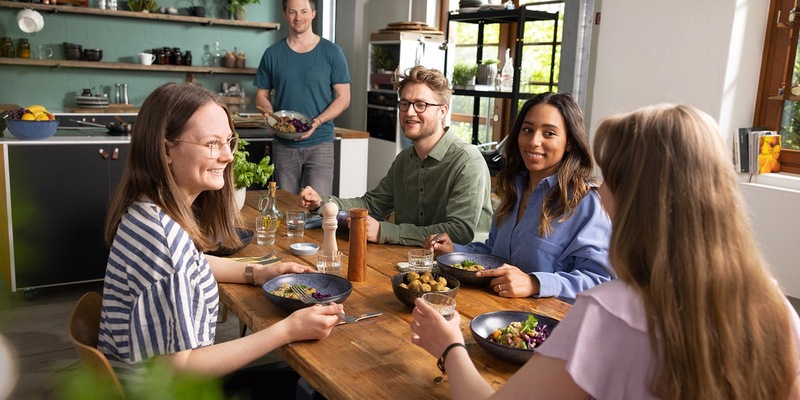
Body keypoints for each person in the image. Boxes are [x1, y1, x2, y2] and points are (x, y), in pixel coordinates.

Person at [410, 104, 800, 400]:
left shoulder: (609, 313)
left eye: (609, 178)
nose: (600, 189)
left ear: (637, 198)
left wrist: (450, 346)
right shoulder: (778, 308)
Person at [98, 83, 344, 399]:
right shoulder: (163, 241)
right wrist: (287, 330)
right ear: (166, 150)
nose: (228, 156)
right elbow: (180, 370)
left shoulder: (147, 210)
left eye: (228, 141)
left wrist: (256, 272)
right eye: (212, 144)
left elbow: (190, 264)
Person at [424, 92, 612, 300]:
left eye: (549, 133)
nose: (534, 141)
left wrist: (535, 283)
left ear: (569, 142)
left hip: (550, 327)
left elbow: (600, 282)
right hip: (497, 314)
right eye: (528, 130)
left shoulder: (587, 202)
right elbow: (495, 255)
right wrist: (454, 251)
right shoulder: (515, 189)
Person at [297, 65, 493, 246]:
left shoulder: (467, 161)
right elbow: (371, 204)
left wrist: (385, 231)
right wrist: (322, 202)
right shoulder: (405, 159)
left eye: (421, 105)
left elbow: (459, 232)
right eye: (405, 104)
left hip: (463, 270)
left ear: (442, 111)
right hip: (410, 261)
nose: (410, 112)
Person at [254, 0, 351, 195]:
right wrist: (271, 116)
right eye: (293, 12)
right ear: (285, 14)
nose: (299, 17)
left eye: (304, 11)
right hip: (283, 144)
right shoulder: (272, 54)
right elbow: (261, 96)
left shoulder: (332, 52)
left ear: (313, 13)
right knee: (284, 204)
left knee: (318, 207)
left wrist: (319, 120)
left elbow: (344, 97)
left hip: (321, 141)